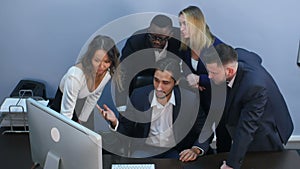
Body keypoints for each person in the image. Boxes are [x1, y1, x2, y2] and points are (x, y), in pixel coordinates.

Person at [201, 43, 294, 169]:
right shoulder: (239, 54)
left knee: (265, 162)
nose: (209, 76)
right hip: (255, 106)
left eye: (213, 72)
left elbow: (246, 128)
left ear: (229, 71)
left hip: (267, 127)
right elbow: (256, 58)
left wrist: (231, 165)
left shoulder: (253, 87)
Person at [97, 57, 208, 161]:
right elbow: (127, 129)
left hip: (176, 151)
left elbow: (205, 129)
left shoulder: (189, 100)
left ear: (176, 81)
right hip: (145, 149)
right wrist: (115, 122)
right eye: (156, 80)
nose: (159, 87)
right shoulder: (138, 96)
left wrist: (195, 149)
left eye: (165, 83)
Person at [49, 35, 121, 123]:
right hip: (63, 103)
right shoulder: (75, 76)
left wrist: (82, 119)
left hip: (82, 103)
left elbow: (95, 95)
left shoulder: (107, 73)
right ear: (90, 58)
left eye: (107, 62)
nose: (101, 67)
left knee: (86, 134)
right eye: (97, 60)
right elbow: (66, 116)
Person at [117, 14, 181, 111]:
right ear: (148, 31)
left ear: (170, 35)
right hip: (141, 85)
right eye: (153, 37)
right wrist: (121, 107)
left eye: (162, 38)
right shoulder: (135, 42)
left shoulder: (180, 41)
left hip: (169, 88)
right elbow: (122, 73)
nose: (157, 42)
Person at [178, 5, 224, 114]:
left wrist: (200, 79)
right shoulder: (186, 46)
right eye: (180, 24)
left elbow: (224, 78)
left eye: (185, 24)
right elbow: (185, 68)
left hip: (217, 103)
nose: (181, 28)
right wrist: (192, 81)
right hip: (197, 101)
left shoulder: (217, 48)